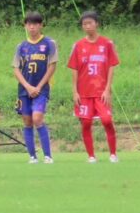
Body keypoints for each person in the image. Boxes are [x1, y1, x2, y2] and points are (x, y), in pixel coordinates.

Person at [67, 10, 120, 162]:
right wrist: (75, 92)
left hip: (101, 91)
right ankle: (91, 156)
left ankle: (113, 154)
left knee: (107, 120)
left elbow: (111, 66)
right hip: (84, 93)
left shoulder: (107, 43)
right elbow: (74, 69)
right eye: (84, 24)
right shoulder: (78, 45)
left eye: (90, 23)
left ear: (97, 24)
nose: (87, 26)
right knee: (86, 123)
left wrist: (107, 89)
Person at [12, 12, 58, 164]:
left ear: (41, 25)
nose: (32, 27)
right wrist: (27, 86)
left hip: (41, 89)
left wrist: (38, 86)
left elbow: (52, 66)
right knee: (27, 121)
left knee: (37, 118)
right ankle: (32, 156)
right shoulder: (21, 46)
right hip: (24, 90)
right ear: (25, 26)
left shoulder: (49, 43)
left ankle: (48, 155)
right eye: (29, 24)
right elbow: (16, 69)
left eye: (35, 24)